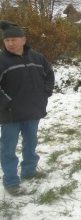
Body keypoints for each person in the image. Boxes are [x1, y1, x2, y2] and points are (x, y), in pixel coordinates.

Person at [0, 20, 55, 196]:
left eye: (14, 39)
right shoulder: (1, 60)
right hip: (10, 114)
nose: (10, 44)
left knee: (31, 143)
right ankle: (11, 181)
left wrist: (44, 93)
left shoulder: (37, 57)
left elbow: (49, 74)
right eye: (7, 41)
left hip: (32, 110)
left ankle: (29, 170)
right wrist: (6, 101)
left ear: (23, 40)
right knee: (8, 148)